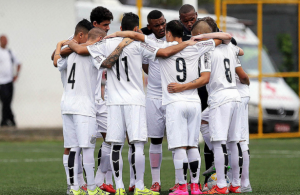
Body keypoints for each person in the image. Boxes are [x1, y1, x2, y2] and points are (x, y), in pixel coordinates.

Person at [69, 12, 198, 195]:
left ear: (120, 28)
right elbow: (164, 52)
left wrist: (66, 43)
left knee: (115, 145)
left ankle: (120, 187)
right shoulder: (139, 44)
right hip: (135, 101)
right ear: (136, 29)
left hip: (113, 101)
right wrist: (187, 43)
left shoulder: (105, 43)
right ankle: (139, 186)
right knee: (137, 144)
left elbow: (84, 50)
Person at [107, 19, 232, 195]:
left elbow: (137, 36)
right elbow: (226, 37)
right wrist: (198, 38)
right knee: (193, 146)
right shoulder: (198, 46)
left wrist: (117, 34)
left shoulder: (160, 48)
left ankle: (181, 186)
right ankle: (195, 186)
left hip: (174, 102)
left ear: (168, 33)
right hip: (193, 102)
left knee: (180, 147)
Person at [167, 18, 246, 194]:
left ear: (199, 35)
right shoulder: (231, 47)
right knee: (233, 142)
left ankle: (221, 186)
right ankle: (235, 183)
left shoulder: (206, 51)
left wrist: (181, 86)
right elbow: (235, 46)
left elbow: (205, 78)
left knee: (219, 143)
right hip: (235, 95)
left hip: (219, 98)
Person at [52, 6, 116, 194]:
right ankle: (92, 188)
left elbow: (56, 61)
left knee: (73, 148)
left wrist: (62, 45)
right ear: (95, 39)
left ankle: (73, 188)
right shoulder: (93, 52)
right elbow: (107, 62)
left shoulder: (69, 52)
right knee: (86, 148)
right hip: (84, 106)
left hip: (67, 104)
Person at [142, 10, 167, 194]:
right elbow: (145, 65)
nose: (161, 28)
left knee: (178, 141)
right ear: (149, 26)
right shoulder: (146, 40)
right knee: (155, 140)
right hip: (153, 96)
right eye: (156, 25)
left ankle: (183, 182)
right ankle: (156, 181)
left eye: (163, 23)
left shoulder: (175, 35)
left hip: (174, 97)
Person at [0, 35, 21, 127]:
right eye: (3, 40)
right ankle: (11, 120)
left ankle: (5, 121)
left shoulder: (10, 52)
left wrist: (16, 75)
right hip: (1, 82)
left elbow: (18, 63)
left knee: (8, 101)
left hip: (9, 81)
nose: (5, 42)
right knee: (5, 100)